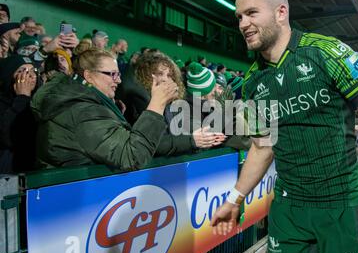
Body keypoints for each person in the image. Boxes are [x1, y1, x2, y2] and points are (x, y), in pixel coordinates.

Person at [211, 0, 358, 253]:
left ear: (281, 13)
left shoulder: (328, 52)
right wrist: (235, 198)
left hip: (343, 204)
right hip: (289, 208)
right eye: (239, 17)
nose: (243, 23)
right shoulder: (250, 85)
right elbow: (262, 148)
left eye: (251, 13)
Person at [30, 48, 178, 170]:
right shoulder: (83, 111)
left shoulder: (81, 104)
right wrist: (157, 105)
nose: (118, 80)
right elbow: (132, 157)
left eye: (118, 74)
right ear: (89, 76)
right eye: (112, 74)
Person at [132, 52, 226, 155]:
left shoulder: (175, 103)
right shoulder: (139, 99)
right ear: (145, 75)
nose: (165, 79)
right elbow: (148, 144)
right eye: (159, 74)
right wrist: (192, 140)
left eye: (169, 75)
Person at [0, 56, 38, 173]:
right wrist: (22, 98)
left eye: (33, 70)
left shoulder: (41, 98)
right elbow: (9, 138)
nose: (30, 75)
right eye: (22, 71)